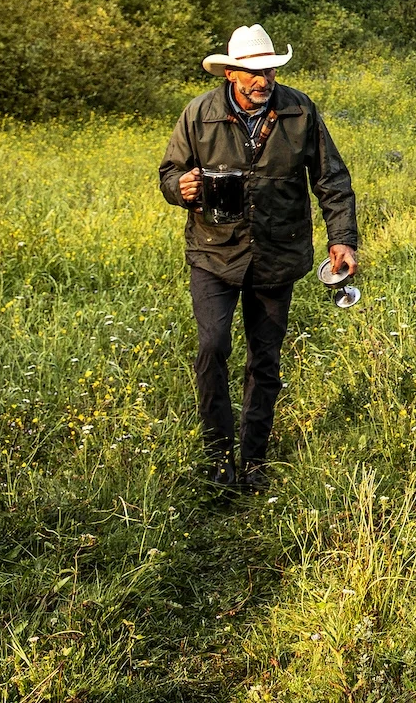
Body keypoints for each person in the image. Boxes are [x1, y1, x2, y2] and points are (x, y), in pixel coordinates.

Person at [159, 24, 359, 493]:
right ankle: (217, 457)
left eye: (267, 69)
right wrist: (179, 188)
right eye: (250, 71)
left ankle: (252, 460)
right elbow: (170, 173)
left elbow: (330, 178)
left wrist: (342, 238)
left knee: (264, 359)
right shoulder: (198, 113)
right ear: (230, 73)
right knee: (212, 347)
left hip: (277, 251)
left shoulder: (299, 109)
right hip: (214, 253)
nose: (260, 79)